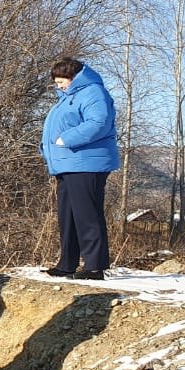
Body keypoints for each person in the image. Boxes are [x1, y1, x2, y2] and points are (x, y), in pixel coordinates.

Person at [40, 57, 120, 281]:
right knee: (69, 215)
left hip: (87, 163)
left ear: (74, 77)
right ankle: (67, 263)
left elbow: (99, 123)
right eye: (56, 83)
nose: (59, 86)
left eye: (61, 81)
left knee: (87, 215)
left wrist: (66, 139)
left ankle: (94, 266)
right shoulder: (67, 99)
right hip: (67, 164)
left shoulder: (94, 92)